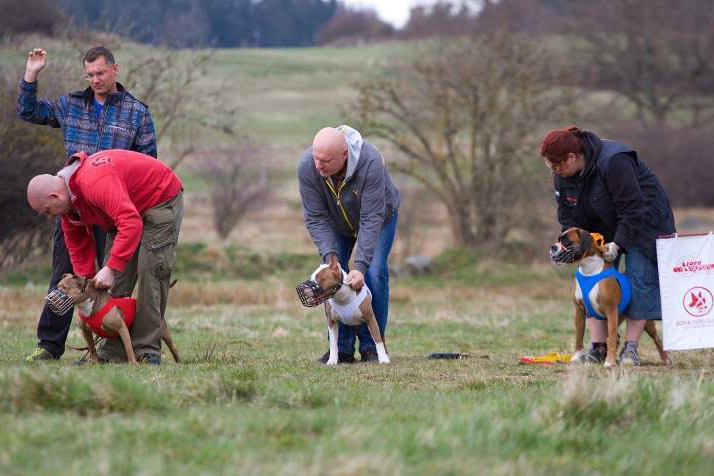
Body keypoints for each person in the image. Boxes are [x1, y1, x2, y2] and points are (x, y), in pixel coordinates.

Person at [17, 46, 157, 361]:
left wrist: (133, 214)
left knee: (110, 280)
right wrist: (32, 74)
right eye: (90, 74)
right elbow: (28, 111)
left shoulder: (137, 112)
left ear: (115, 70)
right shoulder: (70, 105)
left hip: (112, 213)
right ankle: (49, 345)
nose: (95, 79)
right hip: (72, 209)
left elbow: (148, 162)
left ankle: (106, 350)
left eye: (101, 73)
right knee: (64, 277)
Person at [26, 149, 182, 365]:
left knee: (150, 273)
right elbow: (79, 250)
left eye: (47, 211)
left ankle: (147, 350)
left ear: (55, 196)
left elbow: (131, 222)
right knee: (111, 285)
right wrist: (88, 284)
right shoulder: (68, 209)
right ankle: (112, 351)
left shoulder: (94, 182)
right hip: (124, 214)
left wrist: (111, 267)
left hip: (159, 199)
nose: (49, 216)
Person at [540, 126, 676, 365]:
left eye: (555, 165)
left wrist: (618, 244)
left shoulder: (614, 162)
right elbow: (568, 217)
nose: (554, 171)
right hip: (604, 224)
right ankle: (598, 347)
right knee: (593, 280)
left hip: (645, 221)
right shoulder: (563, 176)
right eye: (551, 167)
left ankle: (630, 348)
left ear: (571, 157)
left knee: (638, 278)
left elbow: (633, 210)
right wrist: (570, 249)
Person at [298, 126, 400, 363]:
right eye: (316, 158)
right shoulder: (307, 166)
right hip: (336, 223)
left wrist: (360, 267)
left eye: (325, 160)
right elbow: (315, 217)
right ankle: (341, 350)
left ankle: (372, 347)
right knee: (333, 276)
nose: (318, 165)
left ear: (344, 154)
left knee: (373, 273)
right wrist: (330, 256)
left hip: (379, 216)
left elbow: (371, 218)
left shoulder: (370, 161)